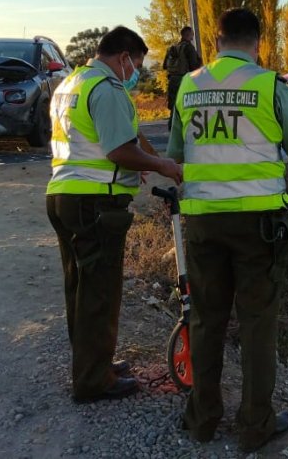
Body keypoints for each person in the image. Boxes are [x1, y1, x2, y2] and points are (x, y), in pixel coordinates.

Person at [168, 7, 288, 454]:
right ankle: (255, 425)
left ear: (215, 42)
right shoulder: (268, 84)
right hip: (258, 226)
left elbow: (179, 155)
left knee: (206, 319)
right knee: (257, 324)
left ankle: (202, 418)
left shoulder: (189, 86)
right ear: (258, 43)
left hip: (202, 223)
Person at [46, 26, 183, 403]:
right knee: (99, 292)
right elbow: (118, 150)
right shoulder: (107, 89)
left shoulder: (71, 84)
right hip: (95, 203)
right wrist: (160, 166)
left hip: (64, 195)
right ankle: (93, 380)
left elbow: (124, 138)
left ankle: (94, 363)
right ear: (124, 57)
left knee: (80, 287)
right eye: (136, 64)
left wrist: (147, 157)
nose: (136, 73)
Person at [163, 26, 203, 129]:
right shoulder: (188, 47)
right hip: (184, 80)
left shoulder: (173, 48)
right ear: (188, 35)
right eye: (192, 34)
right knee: (186, 106)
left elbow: (164, 66)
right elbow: (194, 66)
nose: (193, 36)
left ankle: (172, 128)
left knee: (173, 107)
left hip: (172, 80)